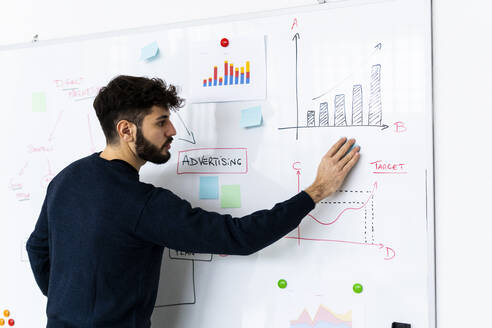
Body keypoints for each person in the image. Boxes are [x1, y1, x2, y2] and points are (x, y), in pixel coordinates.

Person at [26, 75, 360, 327]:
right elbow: (238, 237)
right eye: (161, 122)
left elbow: (37, 249)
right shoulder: (141, 204)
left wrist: (69, 304)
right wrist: (316, 190)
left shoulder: (66, 179)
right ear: (127, 130)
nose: (172, 130)